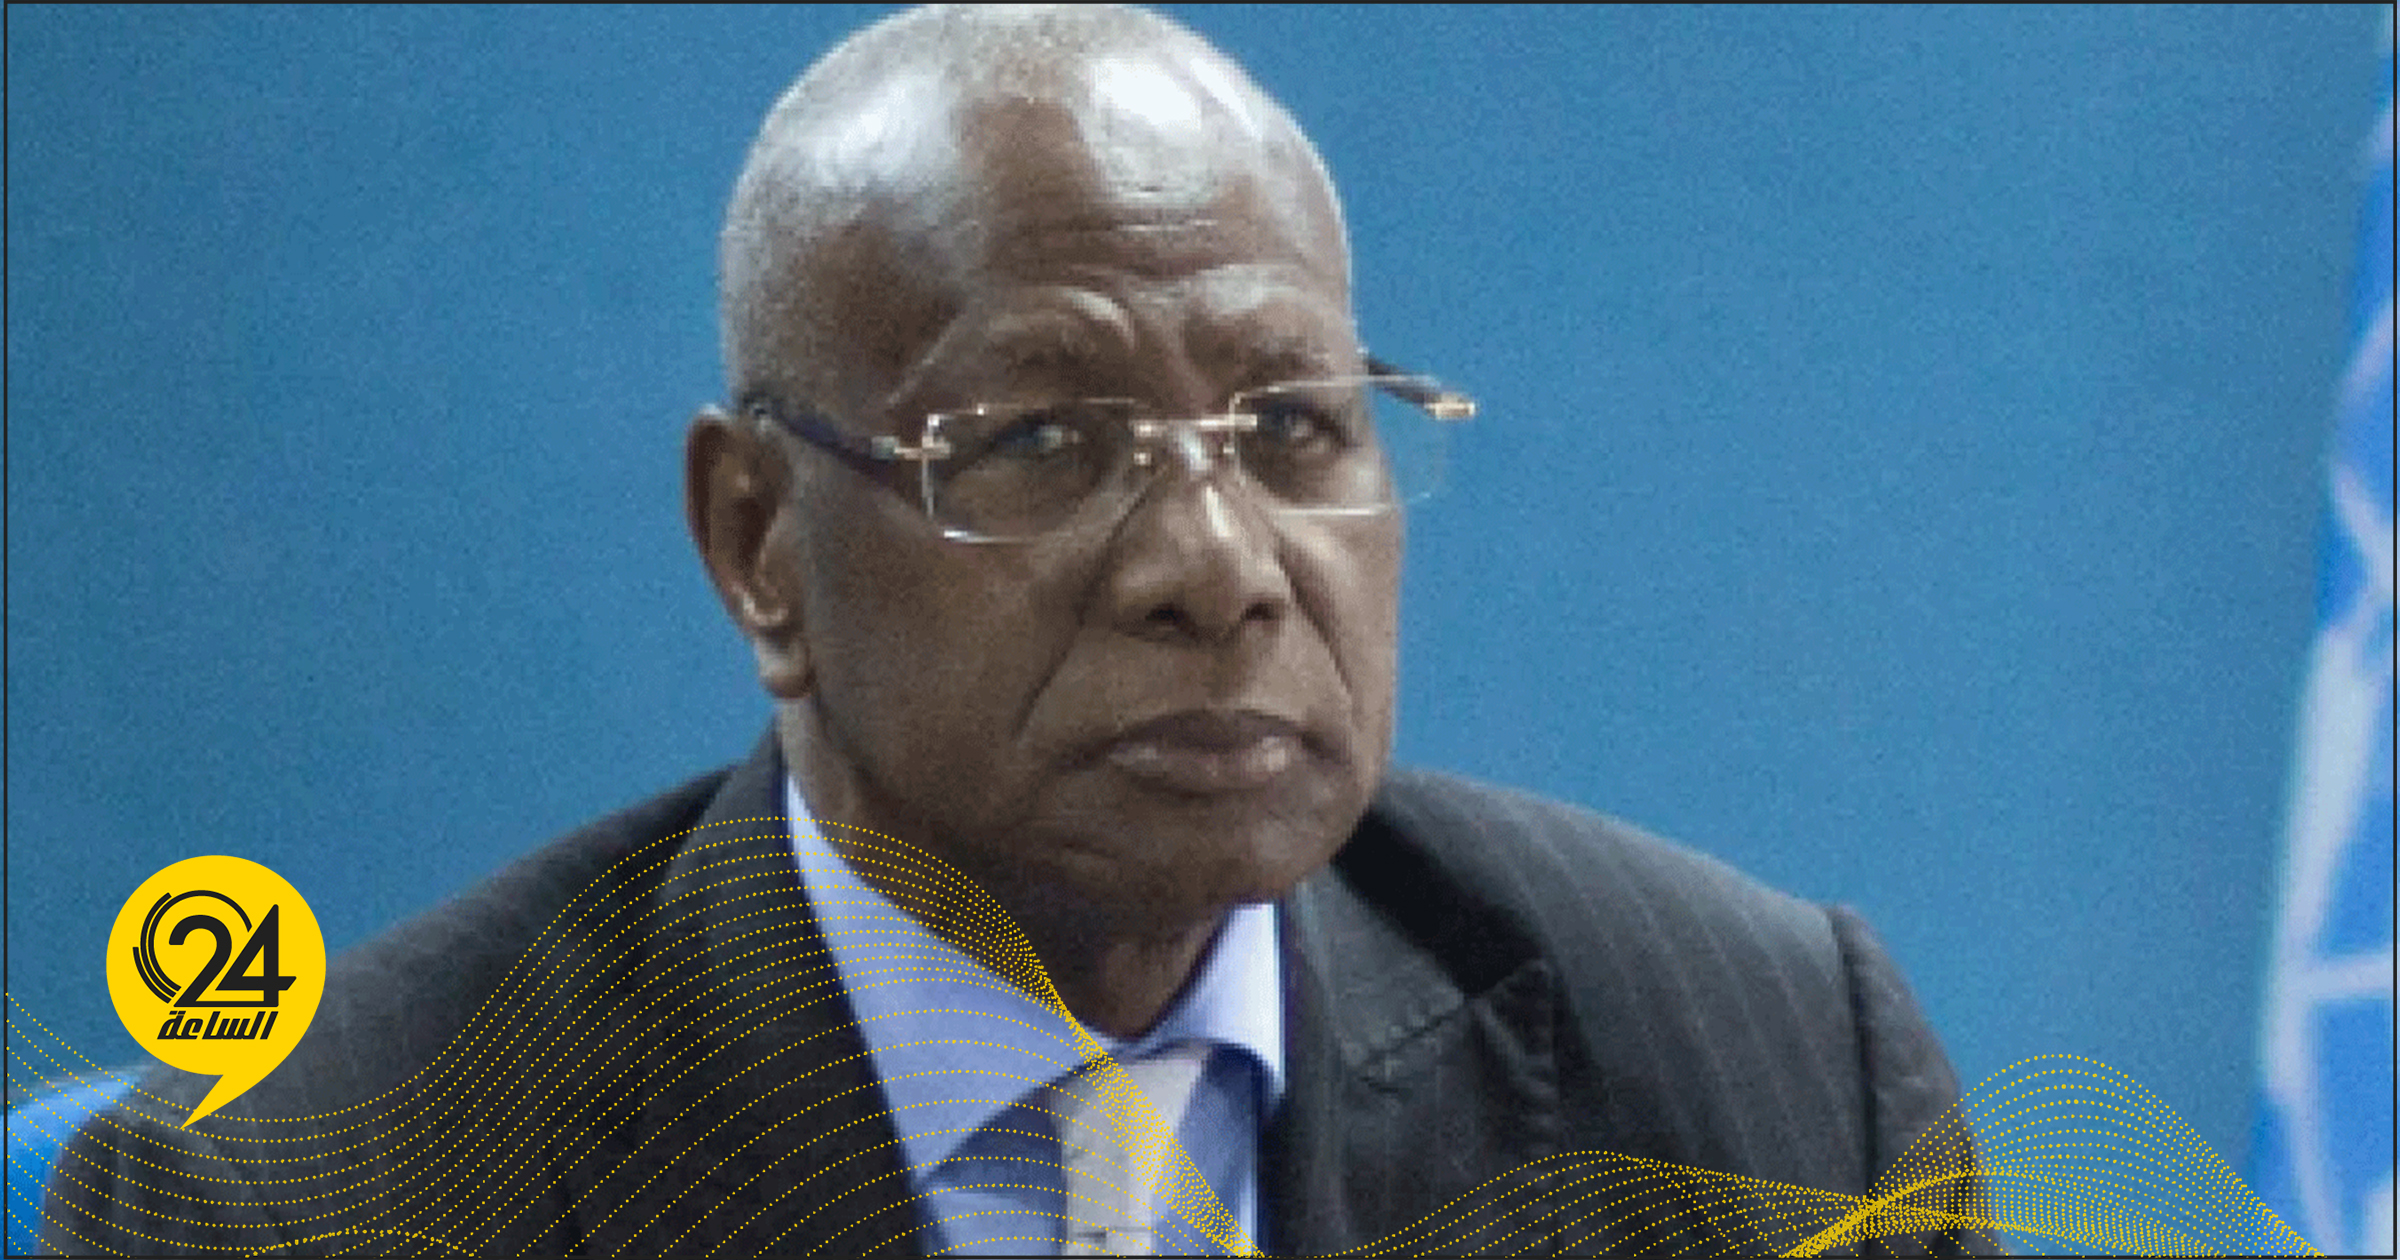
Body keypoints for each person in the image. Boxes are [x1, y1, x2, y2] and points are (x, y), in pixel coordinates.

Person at [44, 6, 1985, 1256]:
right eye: (1046, 441)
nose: (1218, 567)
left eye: (1292, 429)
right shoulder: (304, 1192)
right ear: (758, 543)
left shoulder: (1780, 1092)